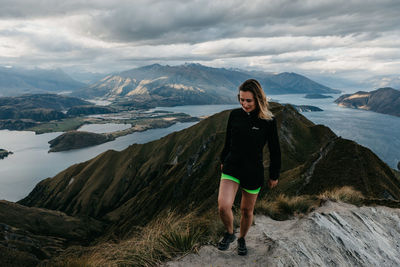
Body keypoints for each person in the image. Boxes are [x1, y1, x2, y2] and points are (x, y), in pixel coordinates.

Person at [217, 79, 281, 256]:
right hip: (231, 167)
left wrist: (274, 175)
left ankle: (241, 239)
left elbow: (275, 150)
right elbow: (228, 141)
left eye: (248, 101)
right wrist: (223, 159)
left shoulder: (268, 121)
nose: (244, 104)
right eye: (241, 99)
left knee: (247, 211)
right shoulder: (234, 115)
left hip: (253, 171)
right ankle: (230, 233)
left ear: (258, 99)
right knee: (223, 206)